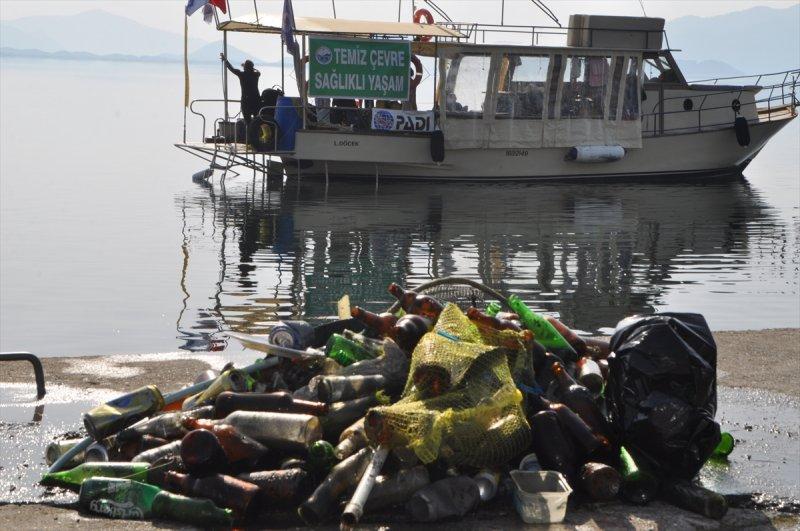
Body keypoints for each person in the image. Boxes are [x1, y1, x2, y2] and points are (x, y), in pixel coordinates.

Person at [220, 53, 261, 124]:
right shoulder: (256, 75)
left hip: (246, 100)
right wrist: (249, 67)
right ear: (252, 67)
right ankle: (256, 134)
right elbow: (258, 71)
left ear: (245, 67)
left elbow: (231, 68)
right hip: (256, 100)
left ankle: (249, 134)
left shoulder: (242, 75)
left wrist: (225, 60)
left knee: (248, 122)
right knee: (256, 122)